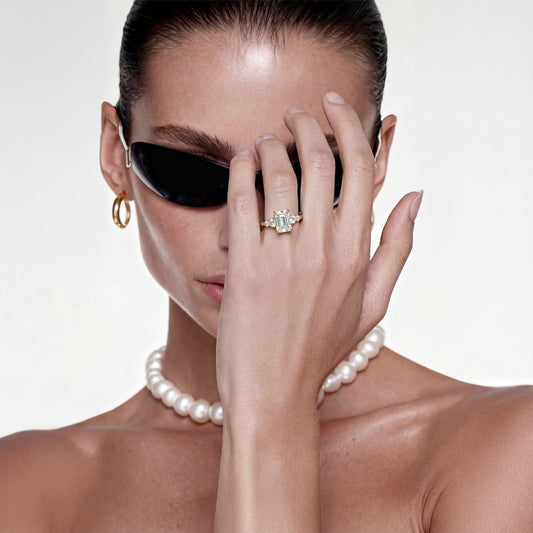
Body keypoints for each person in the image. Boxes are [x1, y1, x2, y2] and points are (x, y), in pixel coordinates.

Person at [1, 1, 532, 531]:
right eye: (190, 171)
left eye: (303, 176)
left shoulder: (505, 450)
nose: (245, 233)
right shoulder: (24, 485)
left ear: (375, 164)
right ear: (114, 156)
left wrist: (273, 412)